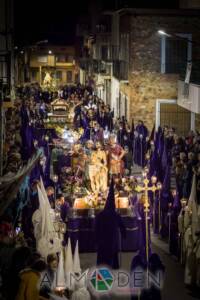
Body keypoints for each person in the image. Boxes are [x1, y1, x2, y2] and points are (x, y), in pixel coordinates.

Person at [95, 179, 126, 269]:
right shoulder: (115, 215)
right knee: (112, 258)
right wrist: (124, 234)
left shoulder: (100, 215)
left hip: (102, 242)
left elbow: (96, 228)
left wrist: (96, 240)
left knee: (102, 260)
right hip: (112, 241)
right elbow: (122, 226)